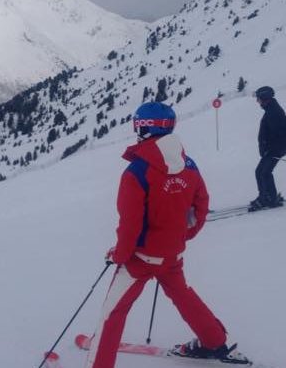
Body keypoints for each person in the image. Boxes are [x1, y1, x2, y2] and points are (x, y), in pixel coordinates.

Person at [85, 102, 249, 368]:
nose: (136, 131)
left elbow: (130, 223)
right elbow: (201, 205)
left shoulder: (136, 172)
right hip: (172, 254)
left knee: (113, 314)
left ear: (146, 127)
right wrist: (182, 236)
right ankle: (213, 341)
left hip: (139, 259)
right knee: (183, 294)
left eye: (138, 126)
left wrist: (120, 254)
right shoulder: (189, 164)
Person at [250, 86, 286, 211]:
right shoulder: (271, 110)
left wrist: (270, 148)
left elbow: (280, 133)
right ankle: (269, 196)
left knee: (263, 172)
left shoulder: (274, 112)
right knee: (261, 172)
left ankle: (267, 198)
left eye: (259, 99)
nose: (257, 101)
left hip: (275, 149)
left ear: (265, 98)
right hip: (272, 149)